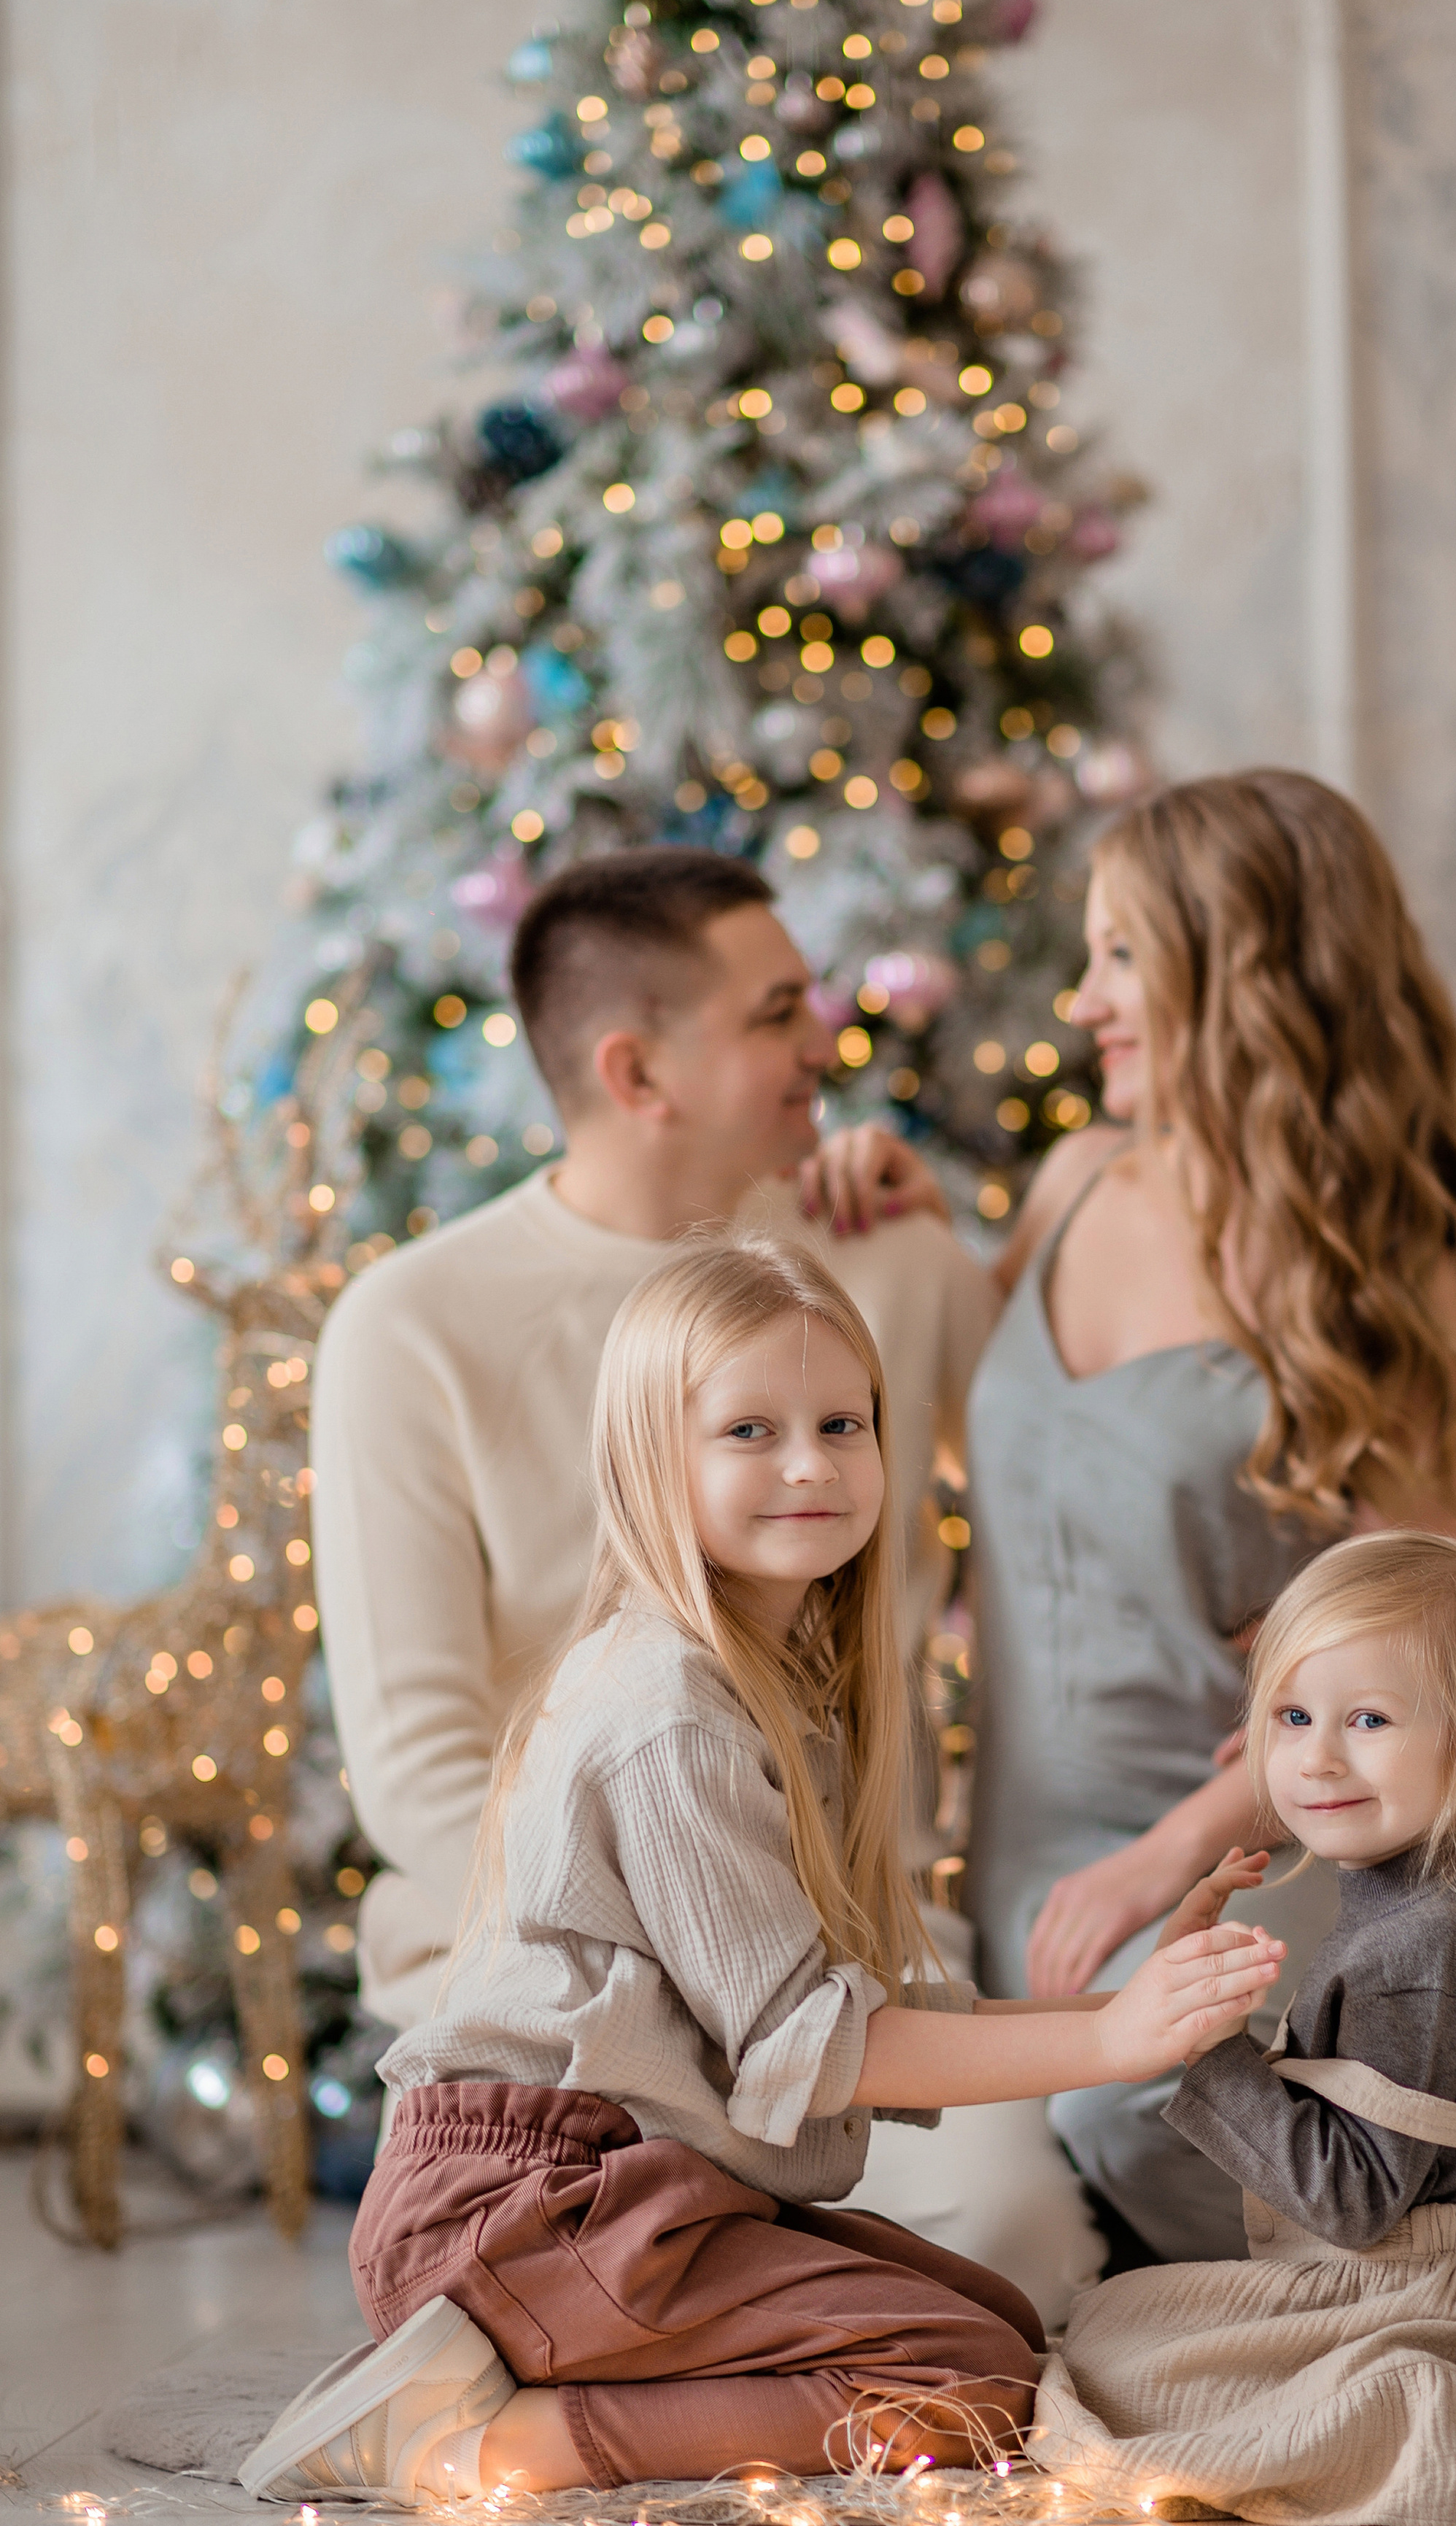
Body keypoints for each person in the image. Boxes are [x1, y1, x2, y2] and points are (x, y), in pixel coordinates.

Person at [240, 1238, 1280, 2503]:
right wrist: (1113, 2041)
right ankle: (479, 2445)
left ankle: (528, 2371)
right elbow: (816, 2044)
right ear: (651, 1460)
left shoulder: (781, 1691)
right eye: (750, 1428)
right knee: (968, 2376)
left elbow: (877, 2011)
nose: (812, 1463)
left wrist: (1123, 2009)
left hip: (629, 2189)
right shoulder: (668, 1707)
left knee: (989, 2310)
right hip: (523, 2198)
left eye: (844, 1422)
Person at [956, 770, 1456, 2263]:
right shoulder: (1069, 1182)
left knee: (1169, 2175)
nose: (1078, 996)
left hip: (1240, 1859)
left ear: (1235, 976)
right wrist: (889, 1202)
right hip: (1017, 1855)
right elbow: (1016, 1453)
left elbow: (1422, 1633)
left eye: (1117, 956)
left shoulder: (1378, 1268)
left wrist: (1168, 1854)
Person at [312, 846, 996, 2035]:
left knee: (1012, 2224)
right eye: (777, 1014)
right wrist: (690, 1959)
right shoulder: (408, 1326)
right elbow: (421, 1766)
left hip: (860, 1956)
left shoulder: (891, 1256)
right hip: (545, 1968)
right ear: (636, 1071)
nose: (824, 1043)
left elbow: (1073, 1520)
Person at [1027, 1532, 1456, 2526]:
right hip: (1436, 2276)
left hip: (1437, 2299)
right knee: (1112, 2321)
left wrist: (1209, 2042)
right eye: (1291, 1716)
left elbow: (1354, 2199)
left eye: (1368, 1718)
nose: (1317, 1755)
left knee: (1112, 2363)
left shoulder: (1417, 1953)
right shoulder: (1409, 1915)